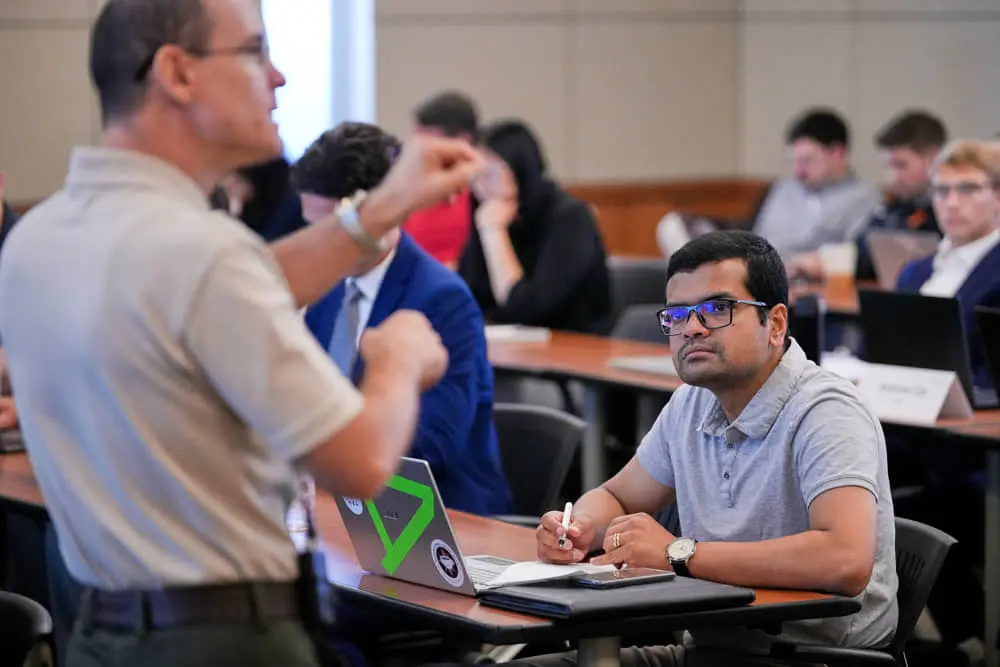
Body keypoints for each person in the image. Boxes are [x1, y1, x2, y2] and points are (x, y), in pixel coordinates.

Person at [0, 2, 483, 667]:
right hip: (221, 638)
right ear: (177, 71)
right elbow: (364, 464)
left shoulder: (40, 238)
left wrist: (380, 210)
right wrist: (397, 361)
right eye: (255, 51)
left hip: (99, 626)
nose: (279, 76)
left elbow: (223, 286)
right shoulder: (204, 254)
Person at [519, 231, 898, 667]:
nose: (692, 328)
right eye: (678, 315)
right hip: (713, 649)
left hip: (812, 657)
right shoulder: (692, 401)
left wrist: (678, 553)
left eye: (718, 309)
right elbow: (618, 497)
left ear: (775, 324)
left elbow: (845, 560)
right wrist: (581, 528)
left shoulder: (826, 409)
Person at [294, 122, 512, 516]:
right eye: (312, 226)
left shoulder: (443, 299)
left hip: (438, 518)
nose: (319, 243)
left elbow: (432, 447)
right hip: (343, 502)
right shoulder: (326, 289)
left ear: (382, 213)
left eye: (331, 227)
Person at [459, 119, 611, 334]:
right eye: (474, 176)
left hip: (573, 348)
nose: (480, 186)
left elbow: (526, 310)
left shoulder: (570, 218)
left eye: (489, 175)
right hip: (509, 350)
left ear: (521, 172)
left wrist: (494, 233)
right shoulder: (487, 212)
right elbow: (467, 296)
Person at [787, 110, 947, 282]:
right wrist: (821, 261)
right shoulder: (895, 208)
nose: (893, 177)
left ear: (934, 159)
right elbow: (862, 251)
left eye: (901, 165)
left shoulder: (947, 212)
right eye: (888, 166)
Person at [897, 140, 1000, 391]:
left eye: (968, 189)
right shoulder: (914, 271)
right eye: (942, 191)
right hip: (902, 402)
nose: (952, 203)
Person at [752, 109, 882, 261]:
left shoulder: (864, 197)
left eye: (806, 161)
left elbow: (856, 257)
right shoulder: (783, 190)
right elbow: (756, 242)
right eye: (793, 161)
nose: (798, 171)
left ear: (837, 153)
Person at [402, 90, 480, 268]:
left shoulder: (481, 191)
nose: (419, 154)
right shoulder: (408, 191)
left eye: (428, 144)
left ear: (462, 141)